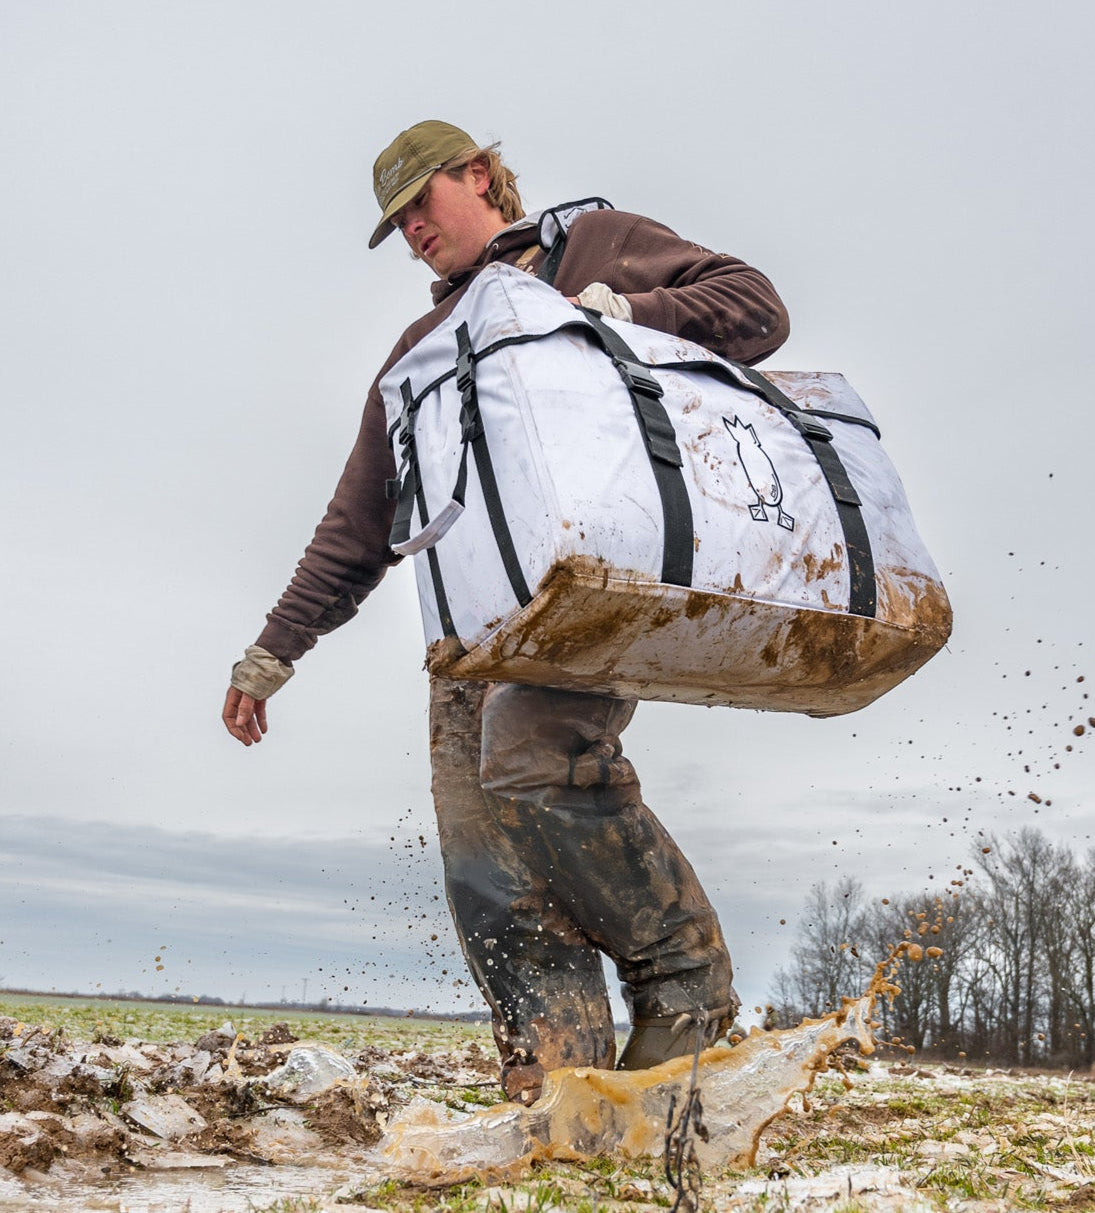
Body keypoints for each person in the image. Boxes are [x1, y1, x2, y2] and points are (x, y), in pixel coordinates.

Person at [223, 120, 791, 1104]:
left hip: (590, 590)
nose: (409, 231)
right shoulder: (420, 354)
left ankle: (684, 975)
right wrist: (269, 655)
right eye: (393, 222)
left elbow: (756, 307)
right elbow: (357, 526)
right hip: (466, 636)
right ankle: (560, 1082)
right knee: (481, 856)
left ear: (478, 175)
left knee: (532, 756)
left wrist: (620, 311)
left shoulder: (591, 247)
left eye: (419, 204)